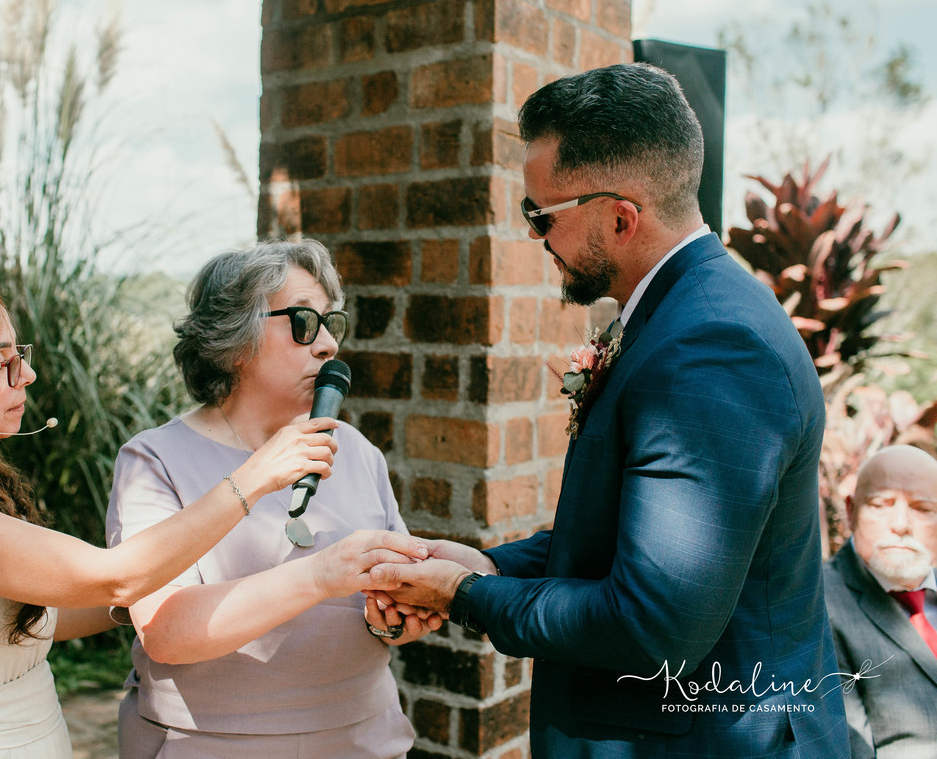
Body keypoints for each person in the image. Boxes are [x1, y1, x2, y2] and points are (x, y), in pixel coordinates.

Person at [368, 63, 851, 757]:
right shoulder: (679, 313)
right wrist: (490, 566)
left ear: (621, 217)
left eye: (541, 216)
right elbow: (624, 536)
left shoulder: (712, 346)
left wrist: (464, 595)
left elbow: (652, 624)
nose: (535, 236)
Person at [0, 272, 415, 757]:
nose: (27, 375)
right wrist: (255, 478)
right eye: (3, 362)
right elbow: (111, 576)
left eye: (21, 356)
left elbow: (32, 616)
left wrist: (157, 606)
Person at [106, 239, 438, 758]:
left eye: (331, 323)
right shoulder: (154, 461)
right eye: (304, 321)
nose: (328, 344)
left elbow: (387, 604)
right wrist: (319, 575)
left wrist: (393, 619)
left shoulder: (358, 451)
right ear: (234, 338)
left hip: (364, 740)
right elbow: (166, 631)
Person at [824, 444, 937, 758]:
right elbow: (850, 749)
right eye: (880, 504)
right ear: (851, 511)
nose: (901, 524)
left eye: (922, 508)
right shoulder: (819, 605)